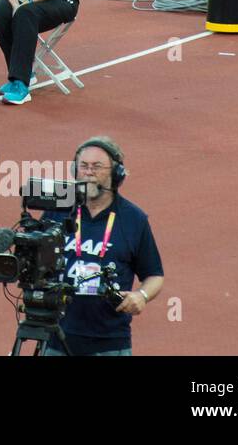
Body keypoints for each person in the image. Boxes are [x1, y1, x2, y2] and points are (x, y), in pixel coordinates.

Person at [40, 136, 164, 356]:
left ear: (117, 175)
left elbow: (154, 275)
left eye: (97, 167)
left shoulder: (134, 219)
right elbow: (34, 256)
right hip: (57, 335)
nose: (88, 172)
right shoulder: (57, 209)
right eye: (83, 166)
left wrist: (141, 296)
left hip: (109, 342)